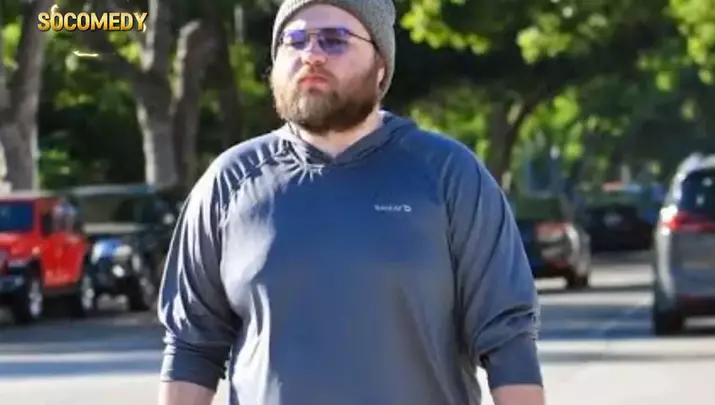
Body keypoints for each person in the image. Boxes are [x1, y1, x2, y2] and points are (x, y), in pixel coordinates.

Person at [157, 0, 545, 404]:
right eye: (295, 40)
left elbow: (508, 340)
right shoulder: (229, 182)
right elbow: (190, 345)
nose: (311, 54)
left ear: (381, 66)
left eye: (334, 39)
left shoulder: (448, 173)